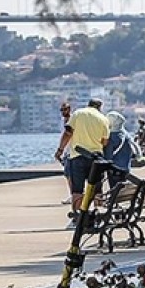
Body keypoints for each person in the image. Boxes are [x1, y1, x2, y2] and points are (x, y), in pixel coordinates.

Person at [53, 98, 109, 230]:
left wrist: (60, 150)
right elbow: (105, 142)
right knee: (97, 189)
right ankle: (98, 217)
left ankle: (77, 220)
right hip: (96, 158)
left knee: (77, 190)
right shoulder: (103, 119)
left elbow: (68, 133)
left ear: (88, 105)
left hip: (78, 157)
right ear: (99, 107)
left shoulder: (78, 114)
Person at [101, 111, 135, 190]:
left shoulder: (111, 137)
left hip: (115, 170)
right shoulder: (126, 135)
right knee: (121, 191)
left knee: (115, 191)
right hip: (126, 169)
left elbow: (108, 157)